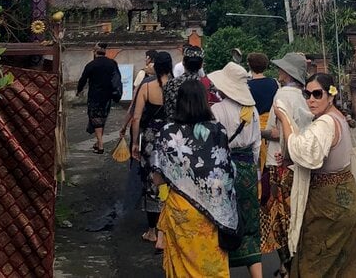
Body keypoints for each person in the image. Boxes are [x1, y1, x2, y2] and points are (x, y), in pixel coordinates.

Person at [274, 72, 356, 278]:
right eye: (307, 95)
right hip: (345, 199)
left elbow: (303, 152)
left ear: (330, 96)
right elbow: (318, 156)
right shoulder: (338, 117)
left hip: (328, 203)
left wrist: (284, 118)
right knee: (344, 266)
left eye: (317, 94)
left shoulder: (326, 123)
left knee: (313, 264)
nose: (311, 100)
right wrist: (290, 160)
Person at [151, 79, 237, 278]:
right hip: (214, 210)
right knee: (211, 263)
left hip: (181, 208)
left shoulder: (168, 131)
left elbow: (158, 179)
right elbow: (227, 172)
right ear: (205, 100)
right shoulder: (218, 130)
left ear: (179, 101)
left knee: (183, 266)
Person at [260, 53, 313, 277]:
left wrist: (257, 132)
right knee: (297, 213)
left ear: (288, 73)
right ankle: (298, 261)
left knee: (278, 217)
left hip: (279, 161)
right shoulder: (306, 96)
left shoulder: (281, 95)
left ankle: (286, 264)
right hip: (299, 161)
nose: (279, 72)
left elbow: (275, 132)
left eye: (282, 69)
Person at [208, 62, 263, 278]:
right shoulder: (252, 110)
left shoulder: (216, 110)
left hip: (224, 171)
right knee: (250, 221)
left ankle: (224, 271)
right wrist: (255, 174)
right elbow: (257, 144)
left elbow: (213, 145)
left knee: (224, 221)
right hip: (248, 169)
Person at [131, 50, 172, 242]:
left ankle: (152, 231)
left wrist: (134, 142)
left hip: (150, 137)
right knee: (170, 179)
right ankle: (168, 228)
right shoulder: (177, 87)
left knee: (151, 180)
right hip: (171, 137)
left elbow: (136, 117)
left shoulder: (146, 87)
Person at [76, 42, 121, 154]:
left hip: (95, 96)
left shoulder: (91, 65)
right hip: (107, 96)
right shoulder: (112, 64)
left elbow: (83, 79)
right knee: (102, 118)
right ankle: (98, 142)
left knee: (96, 119)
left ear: (95, 52)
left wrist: (79, 90)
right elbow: (117, 79)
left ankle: (100, 145)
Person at [163, 44, 218, 118]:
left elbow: (167, 110)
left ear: (183, 62)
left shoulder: (170, 84)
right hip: (200, 124)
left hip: (176, 123)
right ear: (201, 65)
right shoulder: (208, 84)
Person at [247, 52, 278, 175]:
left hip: (254, 125)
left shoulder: (247, 86)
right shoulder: (274, 83)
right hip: (271, 125)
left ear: (249, 65)